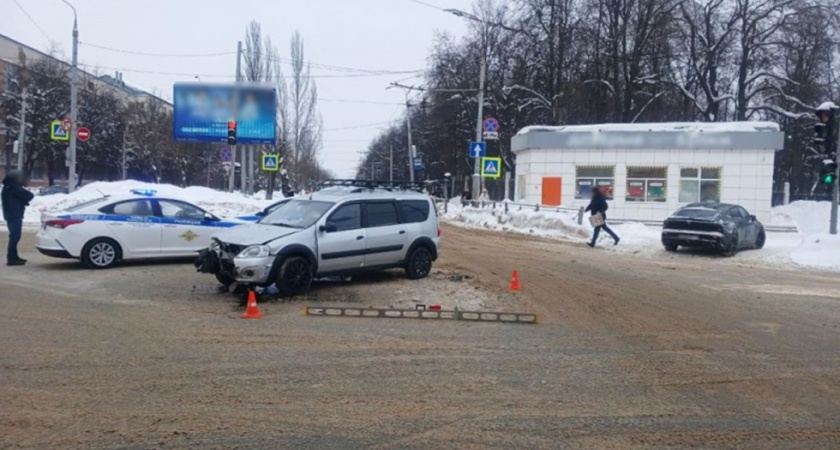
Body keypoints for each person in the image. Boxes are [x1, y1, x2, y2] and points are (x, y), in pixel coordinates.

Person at [2, 170, 35, 266]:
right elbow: (29, 195)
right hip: (14, 215)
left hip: (11, 214)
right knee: (15, 236)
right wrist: (23, 200)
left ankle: (14, 256)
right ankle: (11, 258)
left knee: (14, 236)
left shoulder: (7, 187)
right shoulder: (13, 187)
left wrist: (21, 201)